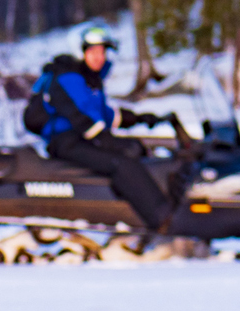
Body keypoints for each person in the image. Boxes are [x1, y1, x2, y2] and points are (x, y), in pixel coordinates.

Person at [36, 25, 173, 232]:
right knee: (121, 163)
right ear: (80, 52)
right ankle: (164, 220)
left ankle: (135, 216)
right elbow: (84, 120)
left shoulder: (87, 79)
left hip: (80, 138)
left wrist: (140, 118)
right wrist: (112, 142)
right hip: (67, 141)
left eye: (102, 52)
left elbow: (103, 114)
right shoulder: (69, 78)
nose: (99, 57)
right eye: (93, 52)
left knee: (134, 151)